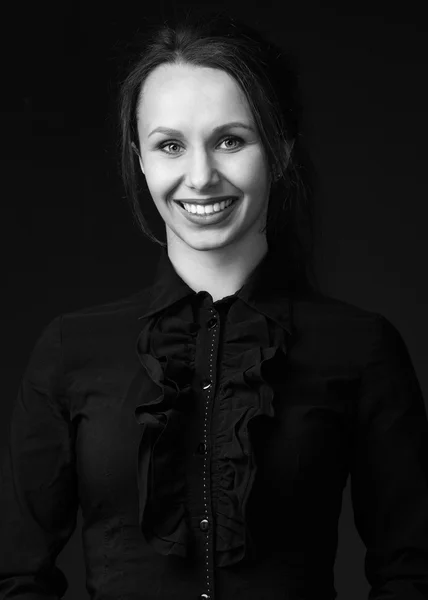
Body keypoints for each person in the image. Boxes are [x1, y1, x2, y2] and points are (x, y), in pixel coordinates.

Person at [1, 8, 428, 600]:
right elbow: (15, 575)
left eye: (231, 140)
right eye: (170, 145)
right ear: (140, 158)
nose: (200, 176)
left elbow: (411, 572)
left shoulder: (361, 346)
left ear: (277, 149)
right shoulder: (70, 349)